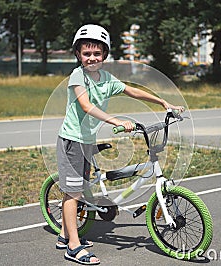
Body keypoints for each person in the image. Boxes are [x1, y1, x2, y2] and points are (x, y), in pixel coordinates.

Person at [56, 24, 184, 265]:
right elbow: (86, 106)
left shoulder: (106, 78)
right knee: (72, 193)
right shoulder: (77, 76)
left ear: (104, 55)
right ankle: (73, 247)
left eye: (97, 53)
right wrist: (116, 120)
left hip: (87, 141)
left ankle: (65, 235)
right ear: (78, 54)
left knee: (80, 189)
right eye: (86, 53)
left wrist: (163, 102)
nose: (92, 58)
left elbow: (131, 91)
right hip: (72, 141)